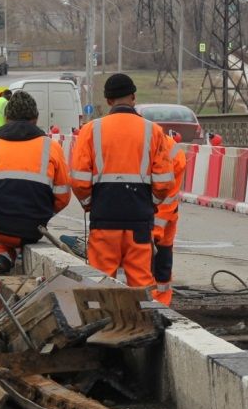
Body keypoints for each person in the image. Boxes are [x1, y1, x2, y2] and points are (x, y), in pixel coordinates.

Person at [70, 73, 175, 288]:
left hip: (104, 218)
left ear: (108, 101)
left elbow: (79, 180)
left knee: (101, 282)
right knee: (141, 281)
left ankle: (104, 320)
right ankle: (143, 318)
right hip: (139, 219)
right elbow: (164, 182)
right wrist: (149, 203)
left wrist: (90, 203)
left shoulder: (91, 130)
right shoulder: (153, 131)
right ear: (133, 97)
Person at [0, 90, 71, 285]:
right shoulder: (52, 147)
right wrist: (38, 212)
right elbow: (63, 196)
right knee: (6, 229)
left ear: (6, 118)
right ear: (36, 119)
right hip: (31, 229)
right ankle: (3, 257)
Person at [151, 130, 187, 305]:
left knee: (161, 270)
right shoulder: (172, 149)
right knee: (158, 269)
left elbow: (167, 198)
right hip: (150, 222)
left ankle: (160, 307)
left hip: (159, 223)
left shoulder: (172, 152)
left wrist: (153, 233)